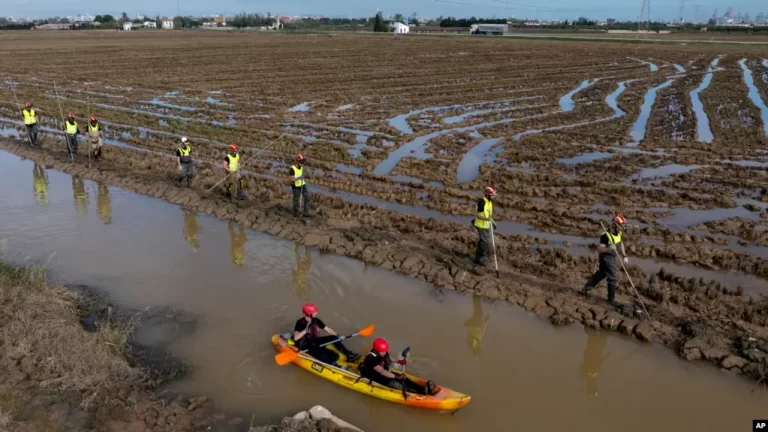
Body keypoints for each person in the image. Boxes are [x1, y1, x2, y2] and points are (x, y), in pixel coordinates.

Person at [359, 338, 435, 396]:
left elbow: (389, 358)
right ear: (377, 350)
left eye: (385, 350)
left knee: (404, 378)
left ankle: (422, 388)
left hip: (385, 373)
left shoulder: (382, 351)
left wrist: (399, 361)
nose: (385, 352)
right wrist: (396, 377)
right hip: (375, 377)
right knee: (395, 384)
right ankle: (416, 394)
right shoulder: (371, 358)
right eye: (383, 351)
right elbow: (382, 371)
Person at [582, 215, 629, 306]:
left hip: (612, 257)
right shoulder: (606, 235)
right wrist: (609, 249)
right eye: (621, 225)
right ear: (615, 225)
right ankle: (611, 299)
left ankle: (586, 288)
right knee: (613, 277)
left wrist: (624, 255)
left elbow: (621, 243)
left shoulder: (619, 233)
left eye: (623, 225)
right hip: (606, 258)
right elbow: (599, 249)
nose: (623, 227)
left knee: (602, 273)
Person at [293, 303, 360, 366]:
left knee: (334, 338)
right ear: (309, 314)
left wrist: (337, 336)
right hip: (305, 345)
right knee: (333, 355)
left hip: (314, 340)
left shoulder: (316, 320)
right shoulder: (300, 323)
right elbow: (296, 338)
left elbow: (327, 329)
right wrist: (305, 330)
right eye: (315, 312)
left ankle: (349, 355)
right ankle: (334, 365)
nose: (317, 313)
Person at [472, 185, 497, 274]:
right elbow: (478, 215)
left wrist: (493, 222)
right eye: (493, 193)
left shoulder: (489, 202)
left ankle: (478, 257)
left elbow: (489, 215)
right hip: (481, 225)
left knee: (483, 241)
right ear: (488, 194)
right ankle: (480, 259)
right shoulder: (482, 203)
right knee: (486, 242)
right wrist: (488, 220)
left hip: (486, 224)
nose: (495, 195)